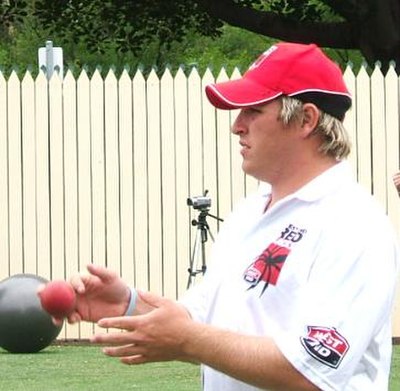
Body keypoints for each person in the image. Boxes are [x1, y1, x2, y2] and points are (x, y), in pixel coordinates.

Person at [64, 42, 399, 390]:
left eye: (253, 110)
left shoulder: (354, 224)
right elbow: (206, 322)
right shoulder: (250, 212)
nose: (236, 126)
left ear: (306, 119)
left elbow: (310, 373)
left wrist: (187, 340)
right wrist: (129, 304)